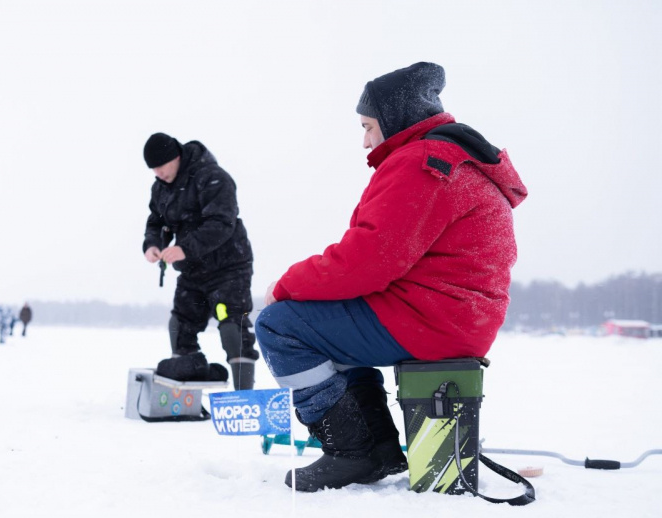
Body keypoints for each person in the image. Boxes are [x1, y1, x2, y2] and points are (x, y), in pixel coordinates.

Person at [255, 62, 528, 492]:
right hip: (453, 315)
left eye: (368, 126)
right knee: (324, 324)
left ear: (394, 118)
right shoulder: (455, 160)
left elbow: (368, 261)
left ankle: (354, 451)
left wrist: (285, 285)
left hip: (433, 318)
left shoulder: (421, 162)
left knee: (280, 325)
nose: (364, 140)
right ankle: (376, 448)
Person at [142, 132, 259, 390]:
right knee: (180, 326)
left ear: (176, 157)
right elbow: (156, 222)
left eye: (161, 166)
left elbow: (222, 223)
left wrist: (184, 248)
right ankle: (186, 388)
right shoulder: (160, 188)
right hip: (193, 272)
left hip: (228, 268)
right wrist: (153, 245)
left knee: (232, 327)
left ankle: (243, 396)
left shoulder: (213, 177)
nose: (158, 173)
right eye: (153, 170)